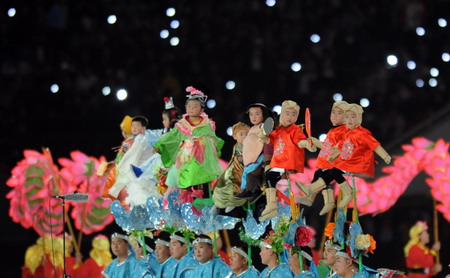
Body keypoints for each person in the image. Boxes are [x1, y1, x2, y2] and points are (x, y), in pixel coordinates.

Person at [297, 104, 391, 210]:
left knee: (329, 173)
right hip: (346, 162)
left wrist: (385, 156)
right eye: (347, 117)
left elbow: (375, 146)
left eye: (352, 117)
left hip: (357, 163)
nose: (349, 119)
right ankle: (339, 193)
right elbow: (339, 147)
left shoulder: (360, 133)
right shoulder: (346, 133)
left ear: (359, 118)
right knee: (330, 173)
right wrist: (332, 156)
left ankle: (317, 194)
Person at [154, 85, 224, 192]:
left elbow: (213, 138)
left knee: (204, 176)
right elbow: (172, 136)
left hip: (204, 154)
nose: (191, 109)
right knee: (187, 175)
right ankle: (189, 197)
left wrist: (215, 149)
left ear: (202, 110)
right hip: (187, 153)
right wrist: (159, 145)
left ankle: (203, 197)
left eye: (195, 106)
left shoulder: (207, 124)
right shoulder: (182, 124)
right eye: (189, 106)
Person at [259, 100, 316, 221]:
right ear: (282, 114)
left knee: (270, 175)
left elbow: (300, 142)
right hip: (279, 162)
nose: (290, 117)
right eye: (287, 113)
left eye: (293, 114)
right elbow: (270, 140)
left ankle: (272, 204)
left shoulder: (295, 130)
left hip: (287, 162)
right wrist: (262, 135)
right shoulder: (279, 129)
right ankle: (272, 205)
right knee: (270, 176)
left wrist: (307, 144)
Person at [296, 101, 349, 215]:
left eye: (339, 113)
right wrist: (315, 143)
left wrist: (317, 143)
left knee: (323, 178)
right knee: (318, 175)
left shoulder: (344, 131)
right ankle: (314, 199)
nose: (334, 115)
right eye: (333, 112)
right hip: (326, 161)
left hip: (334, 162)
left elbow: (335, 148)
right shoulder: (334, 130)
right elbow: (327, 145)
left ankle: (319, 197)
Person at [235, 103, 274, 202]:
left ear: (263, 114)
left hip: (258, 156)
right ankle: (248, 190)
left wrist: (266, 128)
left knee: (252, 174)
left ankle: (252, 190)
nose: (254, 117)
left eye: (257, 114)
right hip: (249, 157)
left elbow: (267, 132)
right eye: (251, 114)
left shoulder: (262, 126)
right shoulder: (251, 128)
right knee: (247, 174)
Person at [213, 122, 250, 213]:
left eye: (246, 134)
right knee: (222, 184)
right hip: (233, 168)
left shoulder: (250, 146)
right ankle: (218, 204)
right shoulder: (236, 146)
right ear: (234, 136)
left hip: (242, 170)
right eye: (241, 134)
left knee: (234, 186)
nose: (244, 136)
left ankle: (232, 203)